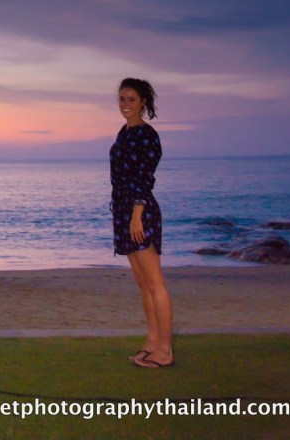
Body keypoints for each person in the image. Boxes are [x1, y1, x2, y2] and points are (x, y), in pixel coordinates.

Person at [110, 77, 174, 368]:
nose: (125, 104)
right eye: (122, 99)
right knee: (142, 283)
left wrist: (136, 214)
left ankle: (165, 350)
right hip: (124, 211)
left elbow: (145, 177)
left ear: (143, 102)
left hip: (140, 211)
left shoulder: (147, 135)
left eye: (131, 99)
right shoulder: (124, 133)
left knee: (155, 282)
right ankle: (152, 342)